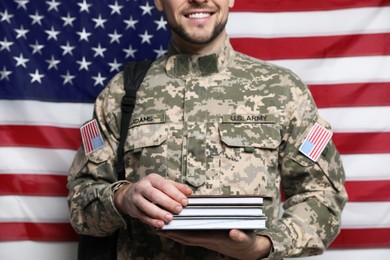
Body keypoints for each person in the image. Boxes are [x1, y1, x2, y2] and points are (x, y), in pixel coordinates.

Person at [67, 0, 348, 259]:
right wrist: (123, 198)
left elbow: (322, 195)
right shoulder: (120, 93)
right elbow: (80, 204)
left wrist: (263, 245)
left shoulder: (284, 91)